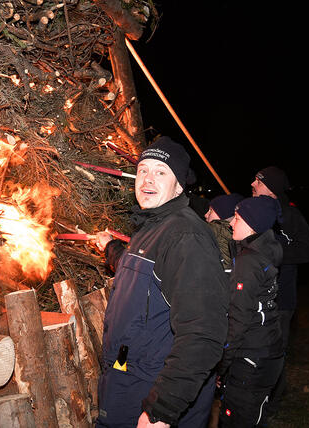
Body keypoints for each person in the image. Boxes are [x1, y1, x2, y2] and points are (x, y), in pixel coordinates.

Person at [93, 136, 230, 428]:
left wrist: (162, 410)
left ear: (179, 185)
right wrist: (108, 248)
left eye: (160, 172)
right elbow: (137, 275)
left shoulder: (186, 237)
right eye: (143, 170)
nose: (147, 179)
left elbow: (202, 336)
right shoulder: (150, 227)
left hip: (152, 394)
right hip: (126, 380)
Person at [250, 166, 309, 421]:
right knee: (253, 350)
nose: (252, 184)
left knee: (273, 352)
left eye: (257, 180)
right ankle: (252, 396)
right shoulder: (253, 211)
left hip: (281, 300)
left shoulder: (290, 216)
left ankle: (272, 401)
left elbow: (308, 251)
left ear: (271, 187)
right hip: (252, 297)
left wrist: (274, 254)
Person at [217, 195, 284, 428]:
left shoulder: (248, 263)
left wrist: (221, 365)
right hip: (266, 352)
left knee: (237, 420)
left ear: (252, 225)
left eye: (237, 218)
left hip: (251, 358)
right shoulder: (265, 251)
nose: (231, 223)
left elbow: (238, 321)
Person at [205, 193, 245, 272]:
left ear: (224, 216)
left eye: (211, 211)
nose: (206, 215)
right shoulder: (243, 241)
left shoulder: (213, 230)